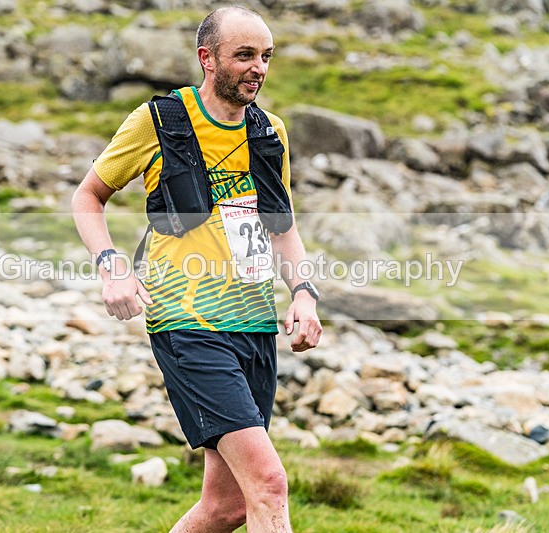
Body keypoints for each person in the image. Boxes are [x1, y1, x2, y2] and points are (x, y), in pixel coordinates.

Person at [72, 5, 321, 532]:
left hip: (254, 325)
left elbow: (282, 228)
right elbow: (87, 198)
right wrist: (112, 266)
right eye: (245, 55)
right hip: (188, 322)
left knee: (226, 506)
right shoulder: (159, 121)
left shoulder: (269, 133)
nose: (259, 68)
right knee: (269, 484)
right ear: (207, 59)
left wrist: (303, 293)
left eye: (267, 57)